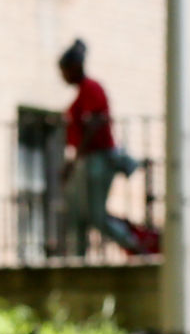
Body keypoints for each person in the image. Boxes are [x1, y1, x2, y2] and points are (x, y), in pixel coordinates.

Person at [58, 39, 143, 255]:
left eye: (64, 71)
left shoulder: (91, 88)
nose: (62, 76)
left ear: (74, 67)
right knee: (78, 213)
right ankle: (76, 256)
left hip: (98, 159)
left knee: (95, 215)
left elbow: (95, 122)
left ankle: (133, 243)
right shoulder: (80, 94)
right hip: (86, 161)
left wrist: (77, 156)